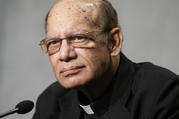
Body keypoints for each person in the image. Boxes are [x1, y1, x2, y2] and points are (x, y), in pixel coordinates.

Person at [33, 0, 179, 119]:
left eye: (79, 38)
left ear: (113, 42)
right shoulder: (50, 103)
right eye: (53, 43)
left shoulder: (163, 94)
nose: (64, 55)